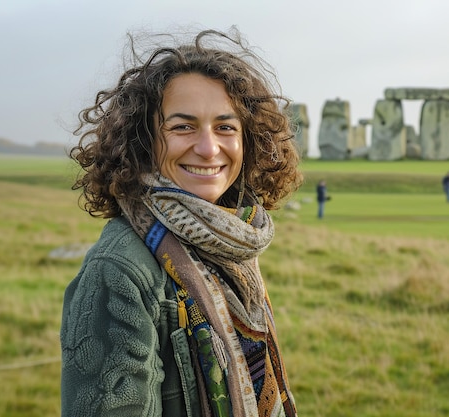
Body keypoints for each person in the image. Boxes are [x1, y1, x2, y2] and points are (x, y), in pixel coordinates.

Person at [60, 28, 301, 417]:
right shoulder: (118, 270)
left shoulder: (229, 240)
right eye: (183, 126)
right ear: (143, 140)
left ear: (248, 140)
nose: (208, 149)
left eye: (225, 126)